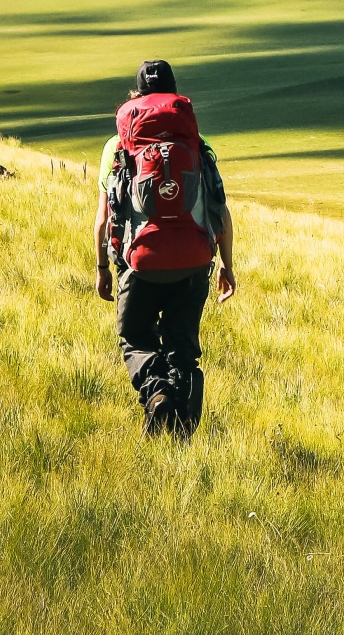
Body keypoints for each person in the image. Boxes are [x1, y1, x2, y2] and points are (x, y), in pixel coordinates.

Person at [93, 59, 235, 437]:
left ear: (137, 96)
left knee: (136, 337)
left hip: (139, 263)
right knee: (181, 346)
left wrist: (102, 269)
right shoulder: (197, 144)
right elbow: (219, 209)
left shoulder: (117, 146)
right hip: (193, 261)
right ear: (175, 93)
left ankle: (156, 397)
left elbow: (104, 219)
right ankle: (182, 425)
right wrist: (227, 265)